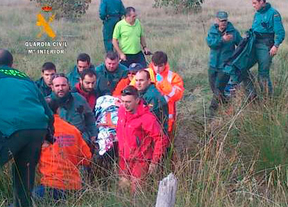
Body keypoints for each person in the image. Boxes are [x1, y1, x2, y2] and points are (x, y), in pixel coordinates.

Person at [0, 49, 54, 207]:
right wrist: (48, 134)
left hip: (12, 128)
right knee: (24, 185)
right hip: (38, 129)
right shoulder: (25, 78)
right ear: (12, 64)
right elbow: (48, 113)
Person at [34, 98, 92, 200]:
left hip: (50, 187)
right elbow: (86, 158)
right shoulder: (73, 129)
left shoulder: (39, 131)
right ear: (58, 110)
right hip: (74, 189)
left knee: (21, 201)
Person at [117, 86, 169, 192]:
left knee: (136, 192)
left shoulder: (147, 118)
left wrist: (154, 161)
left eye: (128, 102)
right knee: (122, 190)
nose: (125, 105)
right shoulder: (122, 111)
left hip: (140, 161)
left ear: (137, 100)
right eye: (123, 101)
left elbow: (161, 138)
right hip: (124, 159)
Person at [243, 0, 285, 96]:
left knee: (263, 75)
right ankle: (252, 94)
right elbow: (255, 29)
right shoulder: (257, 14)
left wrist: (276, 45)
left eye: (255, 3)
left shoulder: (273, 13)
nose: (253, 5)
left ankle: (268, 100)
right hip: (254, 45)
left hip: (265, 47)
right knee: (242, 67)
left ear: (262, 2)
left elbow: (280, 32)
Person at [206, 11, 242, 113]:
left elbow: (241, 45)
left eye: (225, 20)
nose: (223, 23)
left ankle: (211, 111)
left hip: (226, 66)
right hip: (213, 65)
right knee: (214, 89)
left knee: (218, 88)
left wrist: (234, 60)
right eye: (221, 21)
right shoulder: (212, 31)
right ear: (217, 20)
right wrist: (222, 40)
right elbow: (211, 44)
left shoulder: (233, 32)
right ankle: (226, 103)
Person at [50, 73, 97, 144]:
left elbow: (89, 116)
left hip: (81, 138)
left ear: (69, 85)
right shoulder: (47, 103)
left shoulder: (79, 98)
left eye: (63, 85)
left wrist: (93, 134)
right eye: (57, 86)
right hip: (59, 141)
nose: (60, 88)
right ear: (52, 87)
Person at [148, 51, 184, 135]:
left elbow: (177, 95)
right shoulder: (146, 74)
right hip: (149, 113)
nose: (157, 69)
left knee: (165, 140)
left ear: (165, 64)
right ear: (152, 63)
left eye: (160, 66)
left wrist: (163, 83)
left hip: (166, 116)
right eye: (155, 65)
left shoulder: (173, 77)